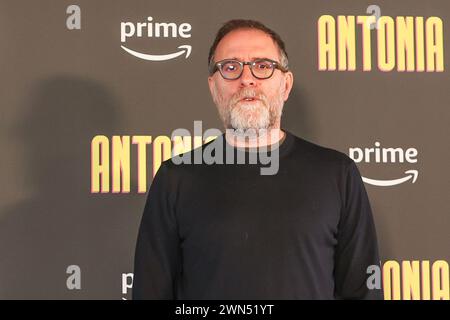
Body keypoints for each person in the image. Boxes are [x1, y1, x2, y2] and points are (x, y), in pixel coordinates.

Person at [133, 19, 383, 299]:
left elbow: (362, 291)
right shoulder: (175, 178)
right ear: (213, 88)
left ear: (286, 85)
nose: (247, 79)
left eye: (263, 66)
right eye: (230, 67)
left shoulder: (338, 174)